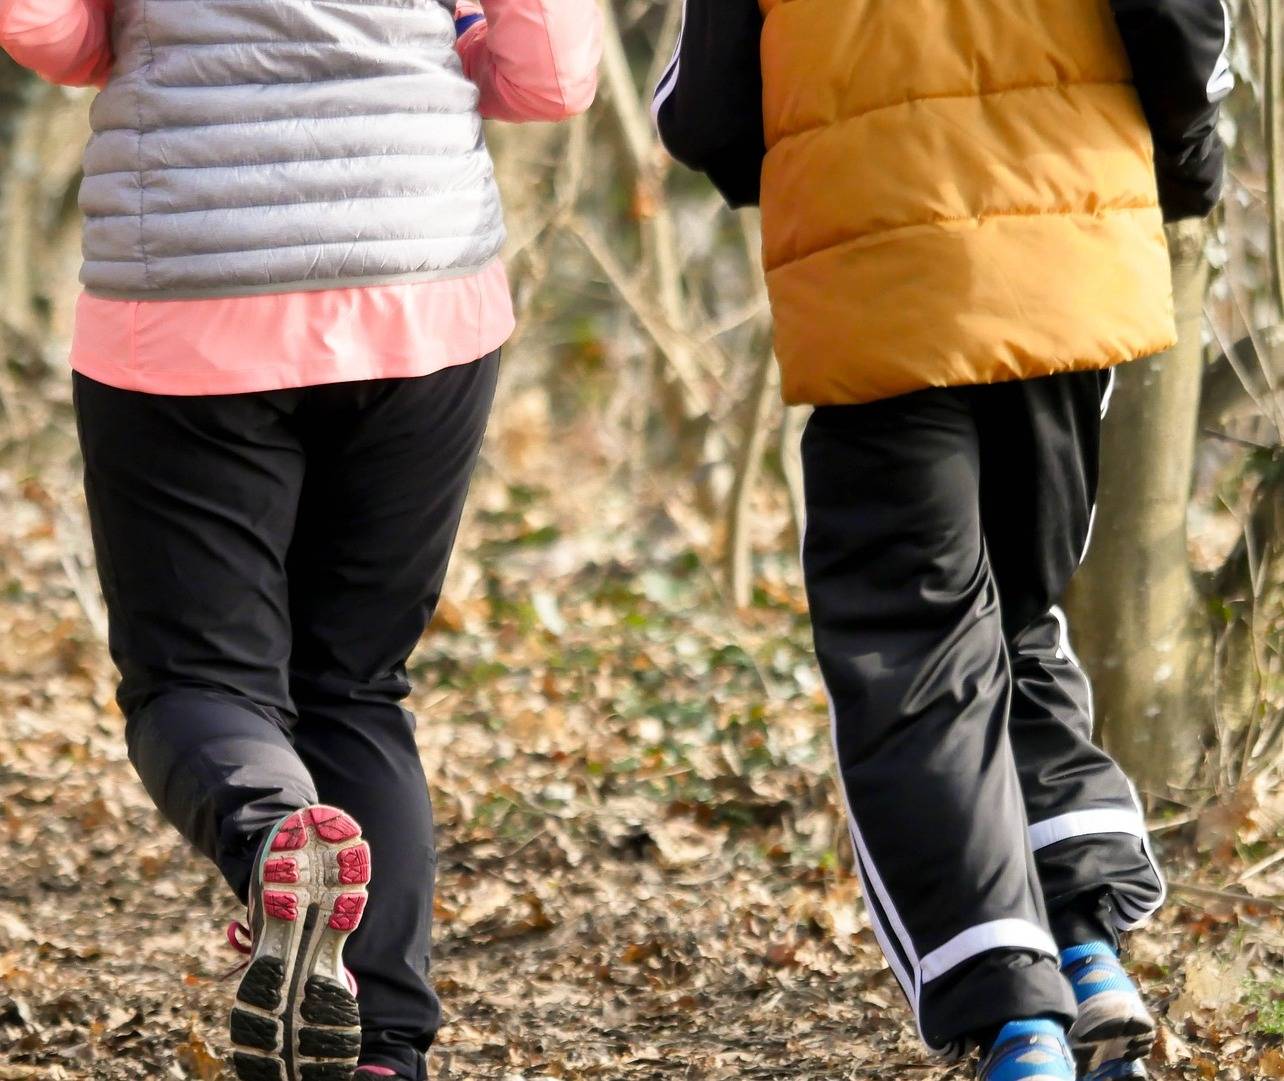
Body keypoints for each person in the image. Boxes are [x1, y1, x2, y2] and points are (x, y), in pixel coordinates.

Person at [0, 0, 601, 1076]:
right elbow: (550, 75)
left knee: (196, 677)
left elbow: (46, 30)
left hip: (188, 279)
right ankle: (382, 1047)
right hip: (416, 272)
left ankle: (277, 830)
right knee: (355, 680)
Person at [654, 1, 1230, 1079]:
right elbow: (1182, 23)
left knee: (914, 655)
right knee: (1020, 617)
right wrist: (1183, 164)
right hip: (1067, 258)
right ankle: (1088, 946)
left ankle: (1020, 1022)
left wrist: (810, 156)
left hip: (880, 279)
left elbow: (702, 107)